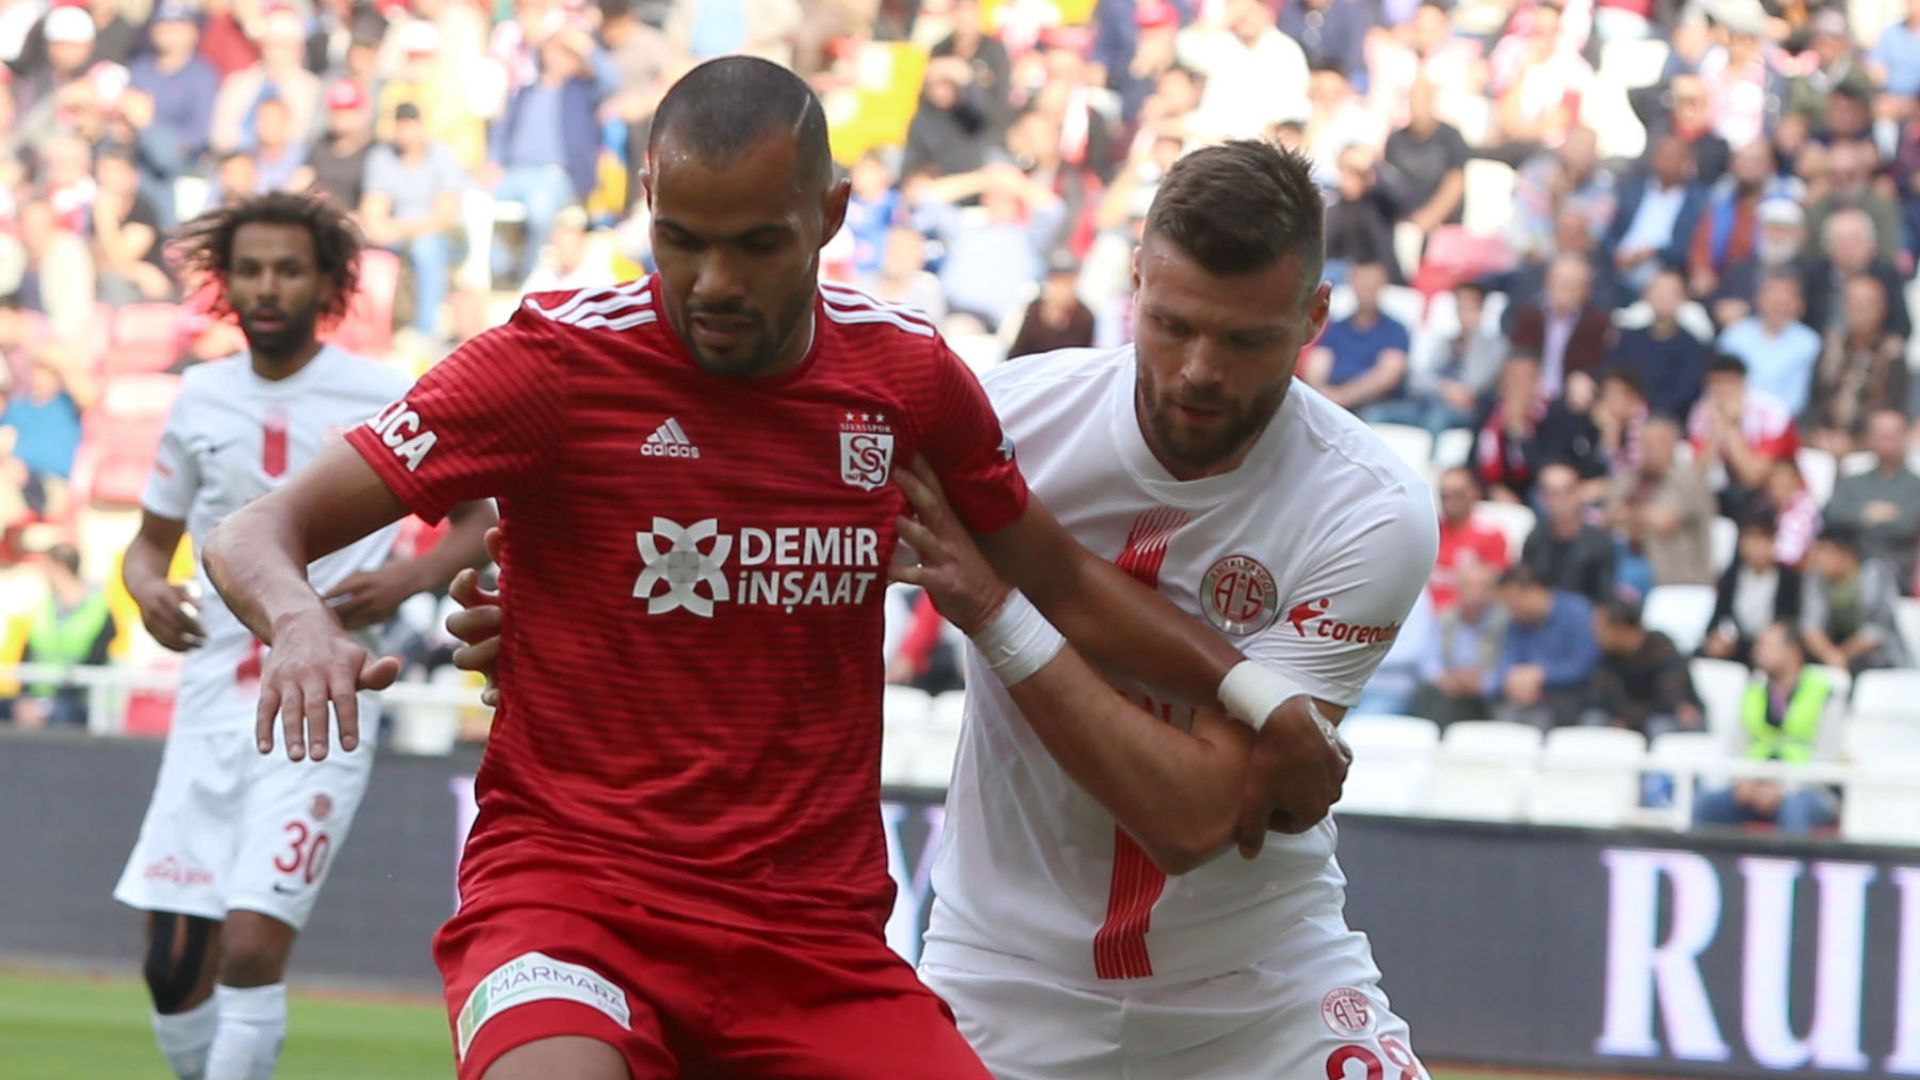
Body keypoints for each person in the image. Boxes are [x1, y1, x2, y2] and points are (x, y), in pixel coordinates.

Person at [199, 66, 1356, 1080]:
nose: (711, 281)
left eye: (755, 242)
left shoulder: (904, 379)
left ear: (830, 215)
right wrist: (298, 625)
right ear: (646, 204)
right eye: (681, 239)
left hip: (807, 938)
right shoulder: (552, 363)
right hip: (571, 899)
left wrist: (1258, 698)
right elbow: (256, 530)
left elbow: (1063, 578)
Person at [112, 192, 496, 1080]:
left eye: (289, 268)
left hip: (327, 706)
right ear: (224, 284)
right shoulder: (199, 397)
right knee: (172, 970)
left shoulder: (383, 392)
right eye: (249, 269)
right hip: (211, 703)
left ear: (329, 281)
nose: (267, 286)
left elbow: (479, 520)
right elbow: (146, 550)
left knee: (249, 949)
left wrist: (408, 574)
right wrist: (146, 592)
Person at [1693, 621, 1841, 836]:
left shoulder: (1825, 692)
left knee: (1793, 810)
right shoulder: (1752, 691)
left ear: (1794, 652)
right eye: (1758, 645)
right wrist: (1744, 783)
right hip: (1753, 785)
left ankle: (1793, 869)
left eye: (1768, 646)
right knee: (1707, 804)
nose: (1758, 651)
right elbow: (1736, 748)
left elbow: (1827, 759)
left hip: (1806, 790)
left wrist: (1783, 789)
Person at [1490, 563, 1602, 731]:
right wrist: (1512, 679)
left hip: (1575, 697)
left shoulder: (1577, 611)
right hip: (1528, 698)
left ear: (1535, 591)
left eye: (1514, 602)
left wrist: (1542, 674)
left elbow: (1584, 663)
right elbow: (1507, 661)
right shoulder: (1516, 623)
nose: (1512, 610)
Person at [1823, 410, 1920, 589]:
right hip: (1851, 566)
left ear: (1904, 438)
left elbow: (1907, 524)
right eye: (1882, 436)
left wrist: (1863, 518)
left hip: (1898, 572)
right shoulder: (1854, 480)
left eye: (1893, 435)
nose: (1888, 442)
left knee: (1876, 574)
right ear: (1870, 439)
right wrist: (1865, 514)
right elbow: (1831, 513)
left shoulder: (1915, 485)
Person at [1584, 597, 1703, 737]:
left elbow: (1669, 700)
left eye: (1601, 626)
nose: (1595, 632)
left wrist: (1629, 719)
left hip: (1668, 718)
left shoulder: (1661, 647)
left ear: (1620, 626)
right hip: (1629, 717)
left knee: (1659, 727)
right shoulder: (1609, 655)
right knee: (1593, 719)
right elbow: (1600, 698)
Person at [1801, 523, 1908, 675]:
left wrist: (1842, 655)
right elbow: (1810, 627)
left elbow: (1876, 631)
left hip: (1882, 658)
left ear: (1845, 553)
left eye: (1824, 550)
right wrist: (1831, 655)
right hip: (1835, 654)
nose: (1818, 558)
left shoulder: (1873, 573)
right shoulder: (1816, 578)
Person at [1704, 510, 1802, 666]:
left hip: (1772, 648)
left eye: (1760, 538)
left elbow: (1789, 622)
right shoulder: (1731, 576)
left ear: (1773, 542)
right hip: (1737, 647)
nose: (1753, 546)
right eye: (1748, 538)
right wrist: (1717, 637)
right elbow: (1718, 617)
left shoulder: (1789, 579)